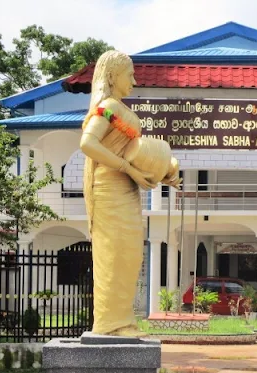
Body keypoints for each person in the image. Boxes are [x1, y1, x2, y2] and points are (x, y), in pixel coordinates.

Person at [80, 50, 180, 336]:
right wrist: (128, 169)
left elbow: (134, 152)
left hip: (126, 187)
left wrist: (163, 170)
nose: (134, 81)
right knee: (114, 255)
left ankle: (122, 320)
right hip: (109, 190)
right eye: (130, 75)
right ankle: (109, 324)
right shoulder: (107, 107)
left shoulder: (120, 108)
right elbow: (87, 143)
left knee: (131, 255)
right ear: (113, 76)